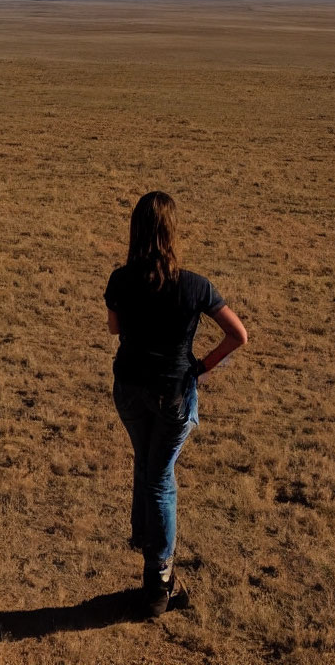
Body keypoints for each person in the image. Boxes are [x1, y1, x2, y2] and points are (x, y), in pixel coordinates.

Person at [104, 191, 248, 616]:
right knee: (159, 477)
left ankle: (143, 534)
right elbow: (238, 335)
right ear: (172, 233)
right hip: (173, 394)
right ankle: (158, 580)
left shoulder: (120, 280)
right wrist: (202, 365)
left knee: (146, 463)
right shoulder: (195, 286)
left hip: (129, 390)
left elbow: (114, 329)